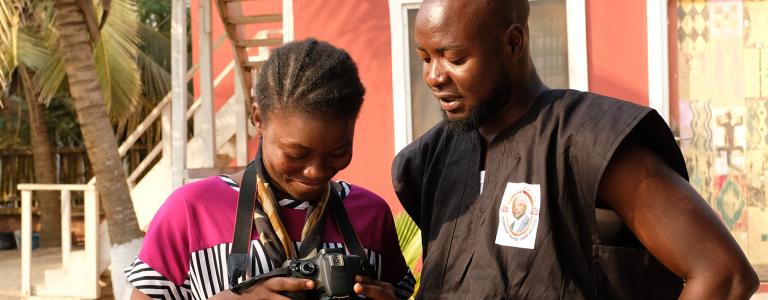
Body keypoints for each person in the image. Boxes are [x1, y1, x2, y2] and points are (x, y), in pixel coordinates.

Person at [391, 0, 759, 299]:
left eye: (454, 58)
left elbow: (723, 276)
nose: (434, 77)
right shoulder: (428, 160)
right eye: (425, 58)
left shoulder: (590, 139)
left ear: (513, 43)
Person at [125, 38, 416, 300]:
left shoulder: (370, 215)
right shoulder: (191, 211)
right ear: (258, 119)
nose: (315, 171)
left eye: (338, 153)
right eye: (296, 154)